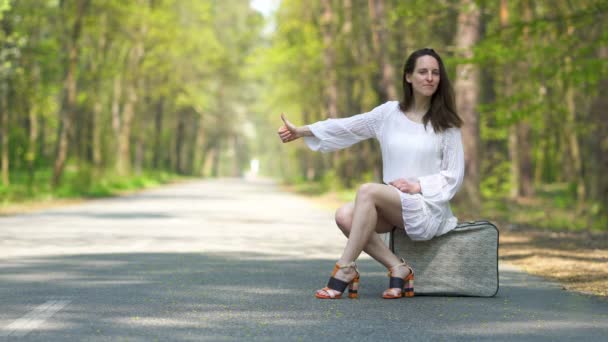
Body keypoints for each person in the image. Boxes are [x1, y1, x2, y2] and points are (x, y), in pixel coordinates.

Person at [277, 48, 465, 299]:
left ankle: (344, 269)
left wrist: (419, 185)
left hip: (427, 208)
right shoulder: (388, 114)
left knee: (367, 190)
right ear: (408, 77)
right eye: (422, 72)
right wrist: (302, 131)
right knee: (344, 215)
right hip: (393, 206)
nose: (430, 78)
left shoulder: (447, 124)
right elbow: (347, 126)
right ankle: (398, 267)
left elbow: (454, 175)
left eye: (435, 73)